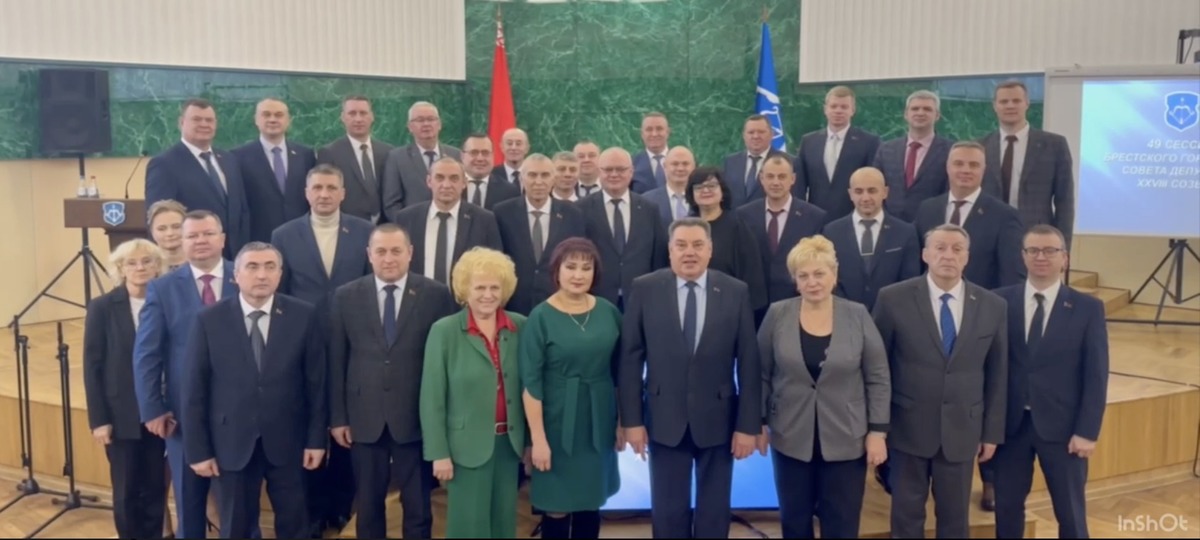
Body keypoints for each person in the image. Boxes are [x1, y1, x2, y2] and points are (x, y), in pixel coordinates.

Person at [619, 217, 762, 539]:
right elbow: (630, 359)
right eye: (681, 245)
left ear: (710, 250)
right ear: (670, 250)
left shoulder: (736, 291)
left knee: (714, 512)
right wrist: (632, 421)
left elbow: (749, 363)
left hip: (719, 419)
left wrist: (747, 426)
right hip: (663, 418)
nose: (689, 252)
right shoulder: (645, 288)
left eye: (698, 245)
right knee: (668, 512)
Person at [183, 242, 327, 539]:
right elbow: (194, 390)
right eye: (253, 267)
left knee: (296, 525)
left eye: (270, 267)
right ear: (235, 275)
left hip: (289, 443)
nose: (262, 275)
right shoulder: (209, 319)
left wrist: (316, 441)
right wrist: (199, 451)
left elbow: (316, 384)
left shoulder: (303, 315)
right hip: (231, 443)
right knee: (236, 527)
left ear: (280, 274)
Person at [872, 223, 1008, 538]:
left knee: (955, 520)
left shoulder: (992, 306)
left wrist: (991, 432)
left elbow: (998, 374)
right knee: (906, 518)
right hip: (907, 429)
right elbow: (878, 368)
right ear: (925, 254)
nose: (948, 255)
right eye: (940, 248)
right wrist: (878, 427)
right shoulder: (893, 299)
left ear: (967, 257)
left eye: (957, 249)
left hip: (962, 430)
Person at [328, 224, 457, 540]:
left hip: (415, 416)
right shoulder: (346, 296)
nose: (388, 258)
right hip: (363, 417)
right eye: (381, 251)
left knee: (418, 506)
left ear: (410, 253)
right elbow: (337, 360)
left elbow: (446, 361)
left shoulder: (436, 294)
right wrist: (339, 418)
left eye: (396, 251)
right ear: (369, 254)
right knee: (368, 506)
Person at [757, 235, 890, 538]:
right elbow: (761, 373)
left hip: (847, 437)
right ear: (795, 280)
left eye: (819, 273)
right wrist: (760, 422)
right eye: (803, 275)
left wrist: (878, 432)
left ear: (834, 274)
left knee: (841, 523)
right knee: (794, 521)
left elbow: (878, 377)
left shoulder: (857, 314)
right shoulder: (777, 314)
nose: (812, 282)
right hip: (790, 435)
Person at [992, 225, 1108, 539]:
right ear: (1023, 256)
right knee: (1006, 510)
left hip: (1064, 430)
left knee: (1070, 513)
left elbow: (1096, 375)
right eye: (1033, 250)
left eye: (1049, 251)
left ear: (1064, 258)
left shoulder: (1088, 308)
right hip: (1010, 428)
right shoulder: (999, 302)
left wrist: (1087, 431)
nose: (1041, 257)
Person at [133, 210, 240, 539]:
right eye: (192, 235)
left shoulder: (247, 275)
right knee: (189, 503)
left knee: (239, 507)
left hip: (240, 414)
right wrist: (152, 408)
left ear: (222, 239)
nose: (200, 241)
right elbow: (147, 354)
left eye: (208, 233)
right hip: (183, 416)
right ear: (182, 242)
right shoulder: (162, 289)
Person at [420, 247, 529, 538]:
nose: (488, 295)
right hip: (464, 449)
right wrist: (438, 453)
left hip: (509, 446)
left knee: (504, 525)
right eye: (479, 287)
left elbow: (529, 388)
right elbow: (432, 398)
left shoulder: (520, 326)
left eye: (495, 287)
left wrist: (531, 443)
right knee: (468, 527)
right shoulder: (444, 331)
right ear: (464, 289)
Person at [520, 238, 622, 538]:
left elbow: (621, 372)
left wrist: (622, 421)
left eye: (586, 268)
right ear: (557, 270)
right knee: (557, 504)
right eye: (571, 267)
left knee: (591, 502)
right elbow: (530, 383)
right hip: (556, 421)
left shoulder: (608, 311)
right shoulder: (540, 316)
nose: (578, 275)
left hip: (598, 419)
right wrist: (538, 440)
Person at [83, 239, 168, 540]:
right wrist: (99, 420)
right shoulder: (103, 307)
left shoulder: (166, 301)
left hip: (161, 413)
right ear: (120, 269)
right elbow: (92, 367)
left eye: (147, 261)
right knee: (127, 491)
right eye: (131, 263)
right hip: (121, 416)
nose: (140, 267)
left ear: (158, 266)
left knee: (156, 488)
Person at [145, 98, 250, 259]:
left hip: (234, 257)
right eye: (197, 119)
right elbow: (158, 217)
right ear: (181, 123)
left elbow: (242, 209)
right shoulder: (164, 164)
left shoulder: (229, 159)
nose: (204, 124)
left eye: (209, 120)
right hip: (193, 258)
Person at [684, 167, 768, 313]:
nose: (705, 190)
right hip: (691, 304)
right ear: (692, 194)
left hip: (729, 306)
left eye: (712, 186)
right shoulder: (685, 227)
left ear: (722, 191)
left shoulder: (738, 226)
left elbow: (751, 273)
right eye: (699, 187)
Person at [147, 199, 187, 270]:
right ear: (152, 231)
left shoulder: (201, 263)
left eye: (176, 227)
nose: (170, 233)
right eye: (161, 229)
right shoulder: (145, 267)